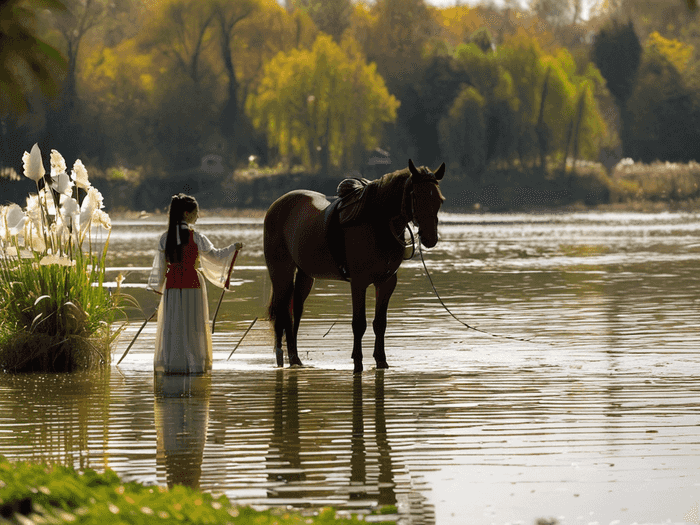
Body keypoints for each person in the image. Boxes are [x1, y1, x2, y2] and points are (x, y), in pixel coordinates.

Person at [148, 194, 242, 374]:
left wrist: (159, 291)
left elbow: (159, 268)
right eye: (196, 213)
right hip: (192, 283)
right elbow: (217, 256)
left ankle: (173, 363)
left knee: (173, 324)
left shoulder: (165, 237)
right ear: (187, 214)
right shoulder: (196, 237)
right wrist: (233, 247)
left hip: (172, 284)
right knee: (193, 324)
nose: (198, 216)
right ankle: (194, 362)